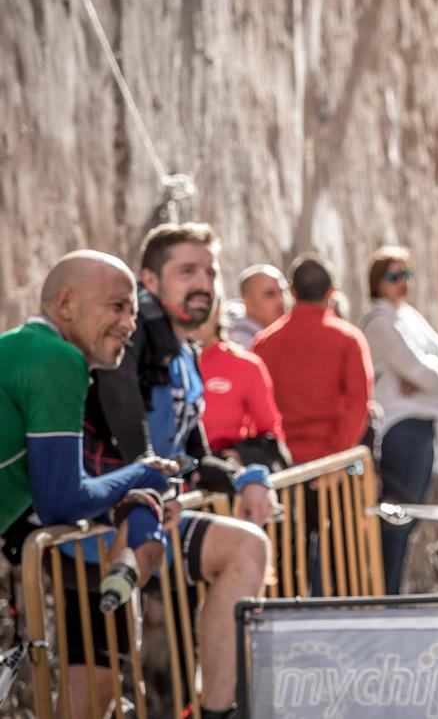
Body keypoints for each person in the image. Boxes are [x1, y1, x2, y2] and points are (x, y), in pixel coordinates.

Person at [77, 224, 278, 719]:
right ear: (149, 279)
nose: (204, 283)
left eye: (209, 271)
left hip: (153, 520)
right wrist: (156, 483)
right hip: (93, 529)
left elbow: (196, 457)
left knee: (246, 547)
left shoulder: (184, 349)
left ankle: (217, 711)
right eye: (187, 271)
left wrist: (243, 477)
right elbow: (128, 434)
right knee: (92, 698)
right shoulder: (132, 334)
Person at [0, 251, 174, 566]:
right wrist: (145, 474)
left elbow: (66, 486)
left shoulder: (23, 346)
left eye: (133, 312)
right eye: (117, 307)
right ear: (66, 304)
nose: (129, 325)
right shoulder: (58, 358)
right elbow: (61, 503)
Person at [359, 245, 438, 594]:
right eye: (394, 276)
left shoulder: (408, 316)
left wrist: (429, 373)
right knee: (397, 521)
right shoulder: (380, 321)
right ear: (378, 282)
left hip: (424, 425)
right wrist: (428, 373)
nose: (402, 282)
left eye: (406, 274)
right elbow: (430, 375)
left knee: (410, 521)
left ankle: (393, 593)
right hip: (401, 427)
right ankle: (386, 596)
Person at [253, 255, 373, 466]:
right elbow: (358, 403)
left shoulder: (264, 343)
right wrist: (335, 456)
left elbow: (257, 406)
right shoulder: (348, 339)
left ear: (292, 291)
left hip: (283, 465)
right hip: (333, 467)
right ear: (331, 292)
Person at [192, 298, 291, 471]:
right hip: (176, 487)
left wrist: (238, 455)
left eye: (201, 308)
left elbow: (270, 433)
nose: (193, 318)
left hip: (228, 483)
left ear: (216, 311)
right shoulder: (161, 366)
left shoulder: (245, 365)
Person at [228, 264, 289, 350]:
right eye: (270, 294)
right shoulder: (239, 346)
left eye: (283, 292)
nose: (281, 301)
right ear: (249, 302)